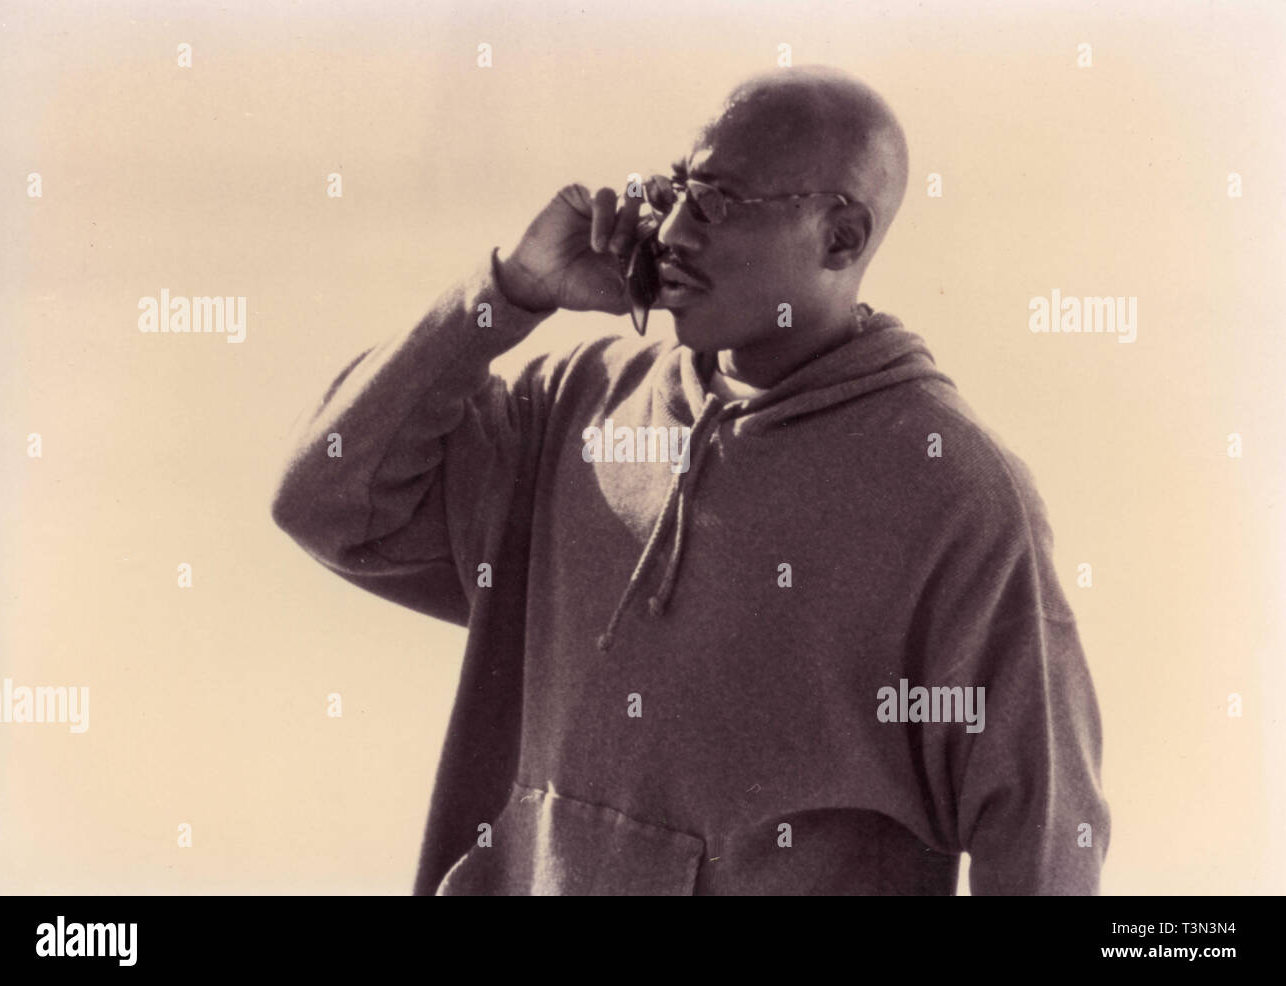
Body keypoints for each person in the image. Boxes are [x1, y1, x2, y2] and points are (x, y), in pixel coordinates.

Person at [270, 65, 1110, 895]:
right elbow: (326, 500)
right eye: (672, 189)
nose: (669, 231)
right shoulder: (576, 405)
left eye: (714, 203)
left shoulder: (955, 494)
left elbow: (1041, 838)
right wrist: (509, 293)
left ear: (841, 236)